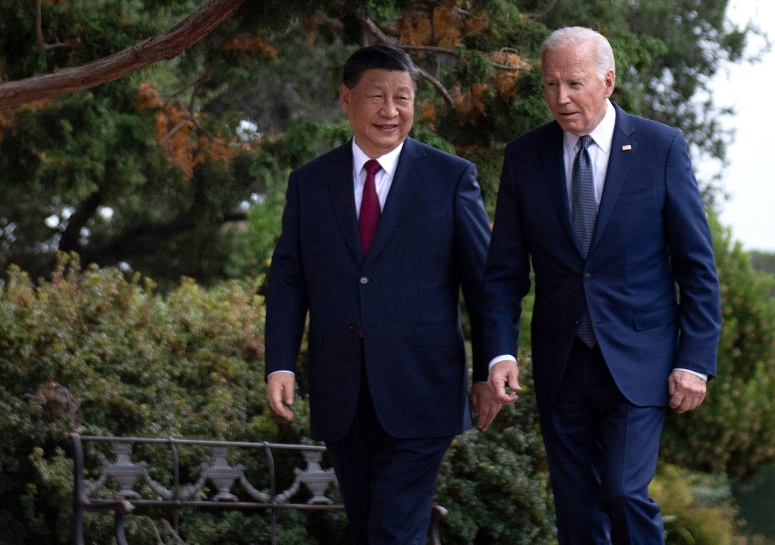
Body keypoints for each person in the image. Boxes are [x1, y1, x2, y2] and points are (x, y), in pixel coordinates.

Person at [483, 27, 722, 545]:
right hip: (561, 362)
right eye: (550, 85)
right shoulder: (525, 157)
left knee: (621, 490)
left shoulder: (661, 148)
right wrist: (499, 352)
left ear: (608, 81)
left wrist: (694, 360)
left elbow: (695, 266)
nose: (561, 98)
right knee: (576, 512)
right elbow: (503, 273)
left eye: (574, 82)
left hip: (640, 358)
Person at [264, 45, 498, 545]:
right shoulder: (309, 183)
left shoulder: (451, 178)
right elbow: (288, 279)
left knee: (393, 529)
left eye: (403, 98)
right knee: (371, 525)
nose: (391, 111)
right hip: (341, 390)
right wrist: (280, 363)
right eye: (377, 96)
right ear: (346, 99)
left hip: (424, 389)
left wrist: (487, 369)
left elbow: (483, 283)